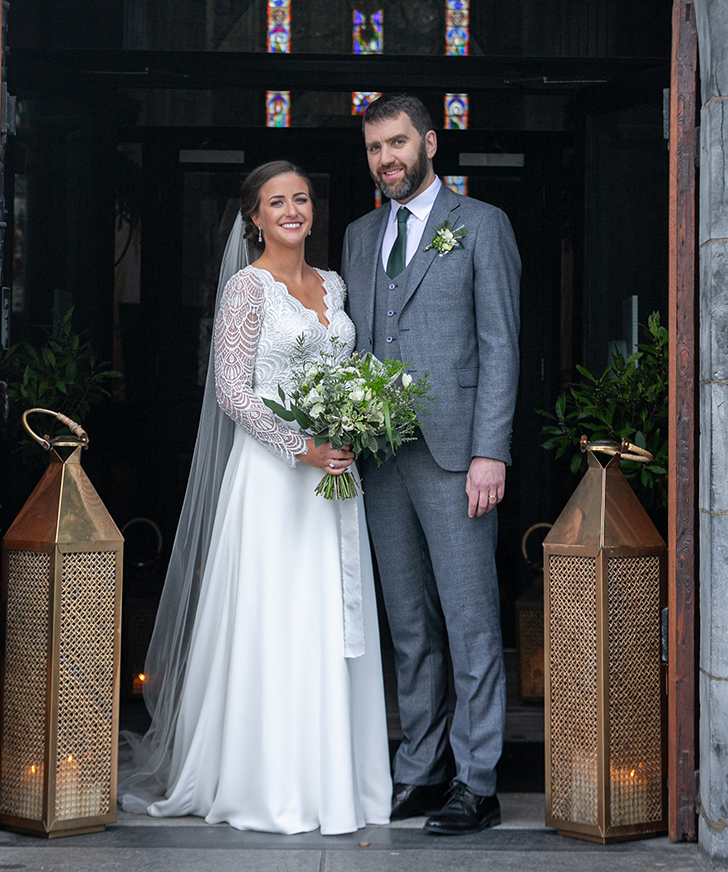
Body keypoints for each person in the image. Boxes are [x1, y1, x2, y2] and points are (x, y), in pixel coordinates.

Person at [120, 160, 392, 835]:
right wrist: (300, 447)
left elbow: (345, 373)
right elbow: (232, 390)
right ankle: (266, 782)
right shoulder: (248, 288)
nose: (294, 210)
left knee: (327, 620)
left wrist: (354, 421)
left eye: (302, 198)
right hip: (273, 479)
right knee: (276, 620)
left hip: (334, 479)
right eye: (279, 202)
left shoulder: (333, 283)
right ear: (255, 217)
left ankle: (334, 783)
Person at [341, 94, 520, 836]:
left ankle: (477, 780)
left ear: (430, 143)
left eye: (398, 143)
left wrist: (490, 452)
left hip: (456, 460)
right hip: (381, 461)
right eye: (376, 147)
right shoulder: (356, 235)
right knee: (409, 625)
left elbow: (501, 344)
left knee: (470, 621)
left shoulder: (481, 226)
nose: (387, 158)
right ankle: (421, 770)